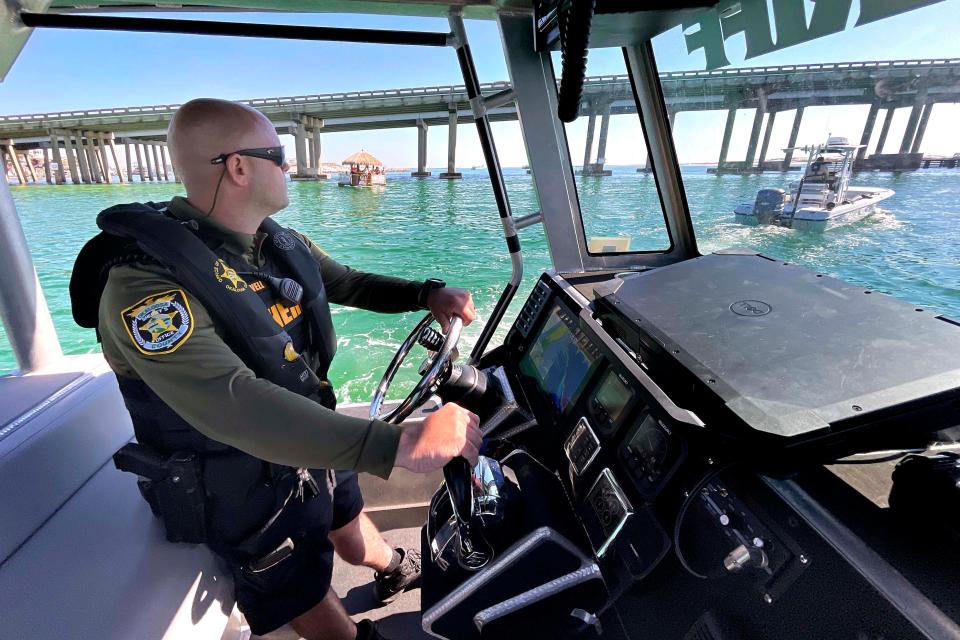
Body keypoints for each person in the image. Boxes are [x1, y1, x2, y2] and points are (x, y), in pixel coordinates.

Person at [69, 98, 481, 640]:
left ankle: (392, 567)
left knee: (343, 511)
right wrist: (394, 444)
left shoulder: (274, 242)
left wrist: (427, 294)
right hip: (233, 478)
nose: (290, 166)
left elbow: (349, 282)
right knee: (298, 587)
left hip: (310, 435)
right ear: (238, 166)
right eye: (278, 155)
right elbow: (230, 399)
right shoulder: (144, 286)